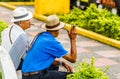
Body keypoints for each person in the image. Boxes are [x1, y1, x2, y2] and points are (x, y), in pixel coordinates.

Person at [22, 15, 77, 79]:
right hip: (36, 76)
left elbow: (43, 59)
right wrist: (73, 39)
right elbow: (73, 59)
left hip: (25, 75)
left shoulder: (40, 36)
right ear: (57, 30)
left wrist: (61, 63)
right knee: (72, 76)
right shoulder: (51, 42)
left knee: (55, 66)